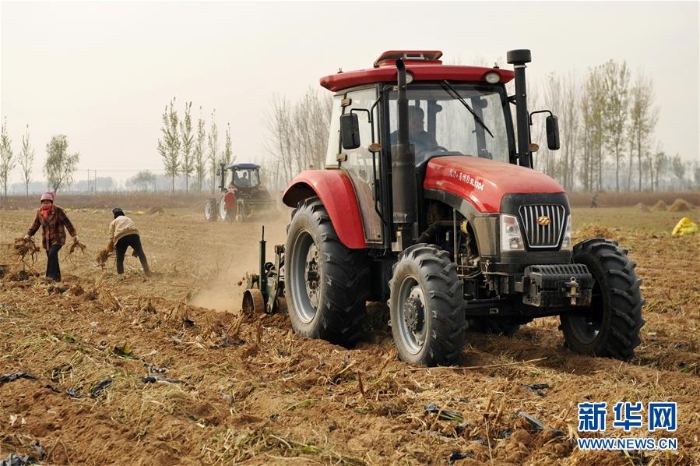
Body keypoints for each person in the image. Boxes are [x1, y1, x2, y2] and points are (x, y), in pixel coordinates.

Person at [24, 191, 79, 282]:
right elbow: (35, 225)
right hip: (47, 240)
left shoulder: (58, 211)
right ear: (41, 203)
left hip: (58, 238)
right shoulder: (39, 213)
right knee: (52, 257)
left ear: (51, 202)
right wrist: (28, 234)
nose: (46, 204)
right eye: (44, 202)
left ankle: (49, 277)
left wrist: (74, 235)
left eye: (48, 202)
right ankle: (57, 278)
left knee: (52, 254)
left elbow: (67, 222)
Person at [108, 207, 151, 276]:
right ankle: (147, 271)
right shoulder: (128, 218)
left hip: (121, 237)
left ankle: (121, 275)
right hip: (134, 235)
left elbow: (111, 236)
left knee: (120, 258)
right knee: (141, 254)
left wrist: (110, 245)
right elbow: (132, 230)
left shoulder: (114, 222)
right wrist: (136, 248)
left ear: (114, 215)